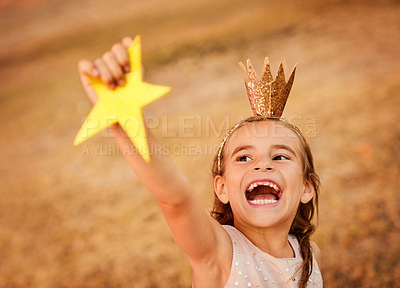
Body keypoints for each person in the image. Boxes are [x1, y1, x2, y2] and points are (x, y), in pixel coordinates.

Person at [77, 36, 323, 287]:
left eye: (280, 156)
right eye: (244, 157)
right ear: (222, 187)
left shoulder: (309, 254)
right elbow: (176, 198)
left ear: (307, 187)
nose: (262, 165)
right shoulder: (218, 253)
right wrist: (124, 117)